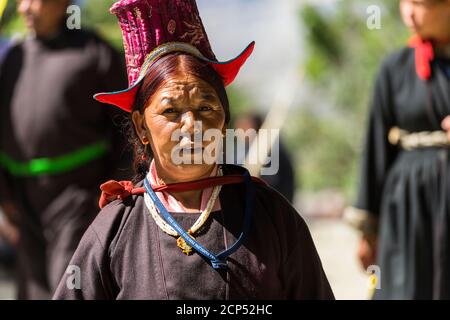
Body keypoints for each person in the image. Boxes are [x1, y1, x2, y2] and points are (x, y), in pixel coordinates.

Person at [53, 0, 334, 300]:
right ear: (141, 127)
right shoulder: (113, 231)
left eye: (205, 106)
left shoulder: (273, 218)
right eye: (171, 110)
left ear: (224, 119)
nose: (192, 125)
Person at [0, 0, 131, 299]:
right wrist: (5, 195)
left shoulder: (96, 55)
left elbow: (128, 133)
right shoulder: (13, 58)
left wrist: (113, 196)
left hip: (77, 197)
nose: (24, 9)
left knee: (70, 286)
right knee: (32, 291)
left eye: (36, 1)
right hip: (23, 200)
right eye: (21, 0)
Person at [344, 0, 450, 299]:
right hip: (408, 206)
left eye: (418, 3)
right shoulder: (395, 68)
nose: (408, 12)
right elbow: (376, 149)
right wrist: (368, 230)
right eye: (404, 2)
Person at [234, 112, 296, 203]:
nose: (237, 132)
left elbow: (272, 182)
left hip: (273, 203)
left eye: (242, 127)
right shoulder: (248, 149)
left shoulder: (270, 149)